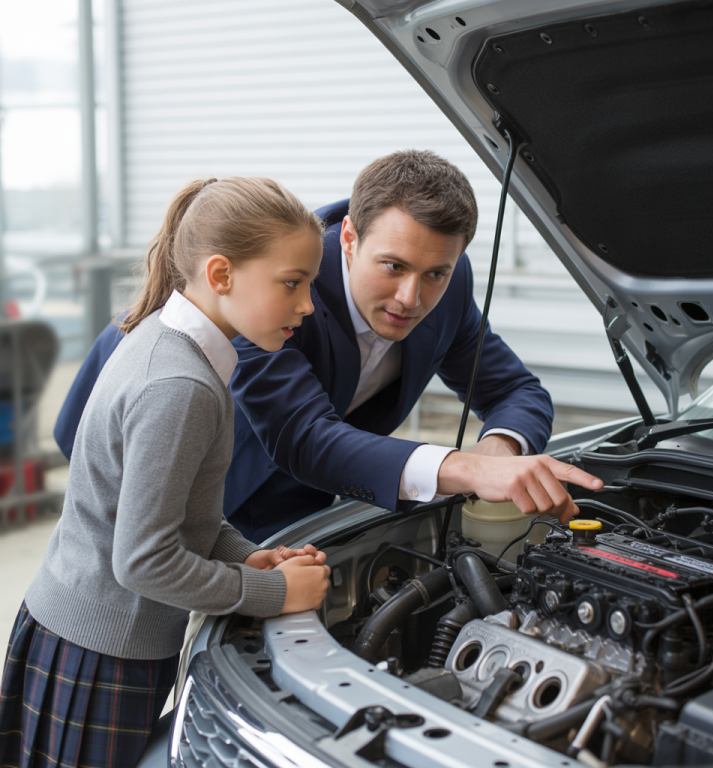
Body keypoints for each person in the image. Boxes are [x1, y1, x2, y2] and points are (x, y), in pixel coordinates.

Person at [54, 151, 602, 544]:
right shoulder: (278, 290)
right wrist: (463, 470)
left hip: (302, 493)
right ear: (349, 238)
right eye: (393, 266)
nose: (412, 297)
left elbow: (514, 390)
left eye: (436, 272)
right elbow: (303, 436)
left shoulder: (450, 288)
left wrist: (499, 450)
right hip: (174, 469)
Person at [0, 177, 331, 768]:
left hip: (83, 633)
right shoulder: (181, 385)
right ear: (221, 274)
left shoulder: (165, 339)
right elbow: (143, 561)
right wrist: (272, 593)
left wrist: (245, 555)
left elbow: (177, 515)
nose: (307, 305)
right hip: (101, 654)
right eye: (292, 283)